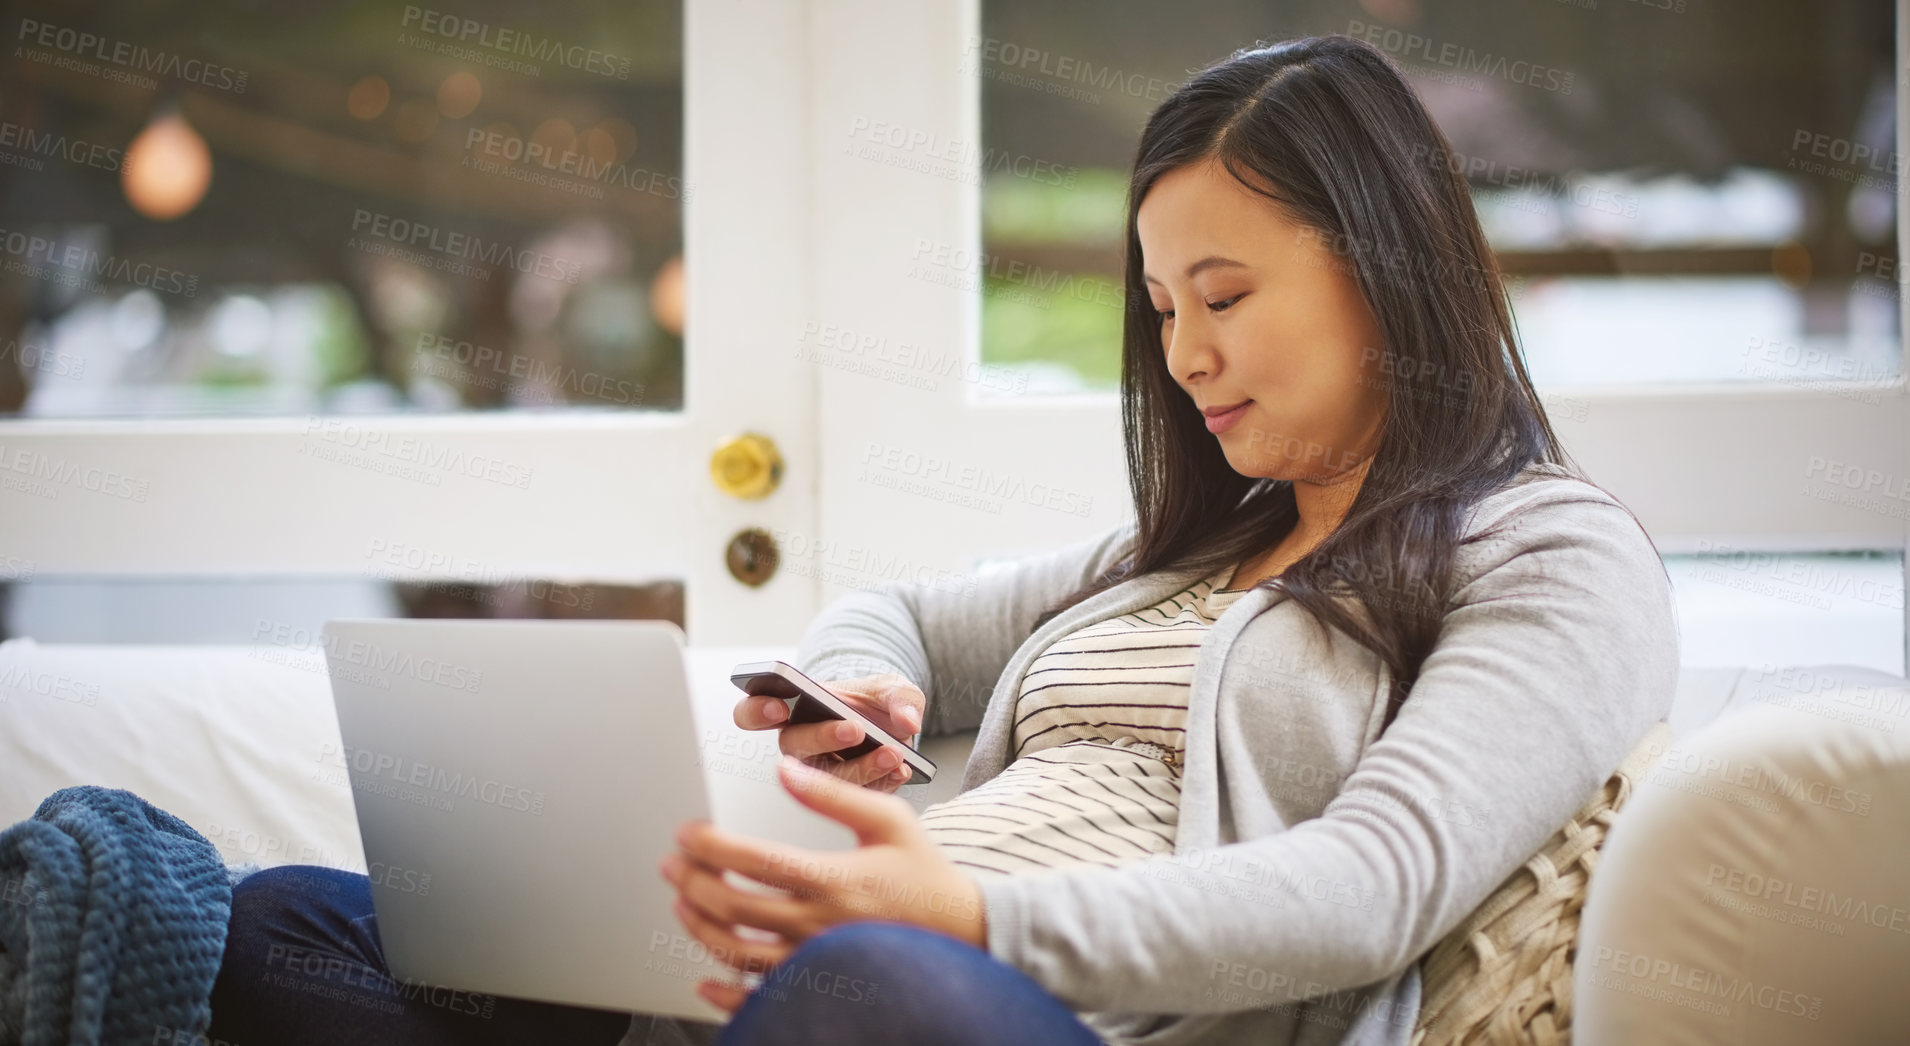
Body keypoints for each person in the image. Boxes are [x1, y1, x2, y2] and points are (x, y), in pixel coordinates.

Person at [207, 33, 1678, 1046]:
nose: (1183, 357)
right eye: (1162, 311)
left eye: (1223, 297)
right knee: (285, 929)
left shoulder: (1550, 556)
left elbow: (1371, 885)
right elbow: (892, 613)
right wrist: (865, 695)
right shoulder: (1170, 557)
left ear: (1384, 265)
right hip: (841, 970)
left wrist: (970, 916)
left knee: (865, 989)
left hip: (1017, 1005)